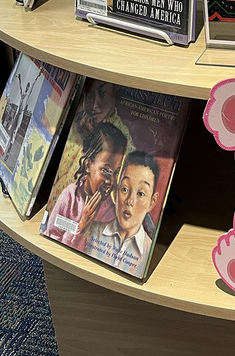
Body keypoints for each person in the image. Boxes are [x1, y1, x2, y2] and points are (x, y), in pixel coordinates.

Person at [49, 80, 133, 210]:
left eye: (102, 93)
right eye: (90, 96)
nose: (94, 105)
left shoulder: (124, 139)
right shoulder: (77, 121)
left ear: (116, 88)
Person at [45, 122, 126, 250]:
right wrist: (81, 225)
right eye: (105, 170)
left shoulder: (111, 211)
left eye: (116, 173)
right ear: (88, 166)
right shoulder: (70, 197)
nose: (110, 181)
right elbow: (52, 235)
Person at [85, 151, 160, 278]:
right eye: (124, 189)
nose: (130, 201)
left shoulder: (149, 253)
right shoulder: (91, 231)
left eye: (140, 194)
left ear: (152, 202)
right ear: (116, 191)